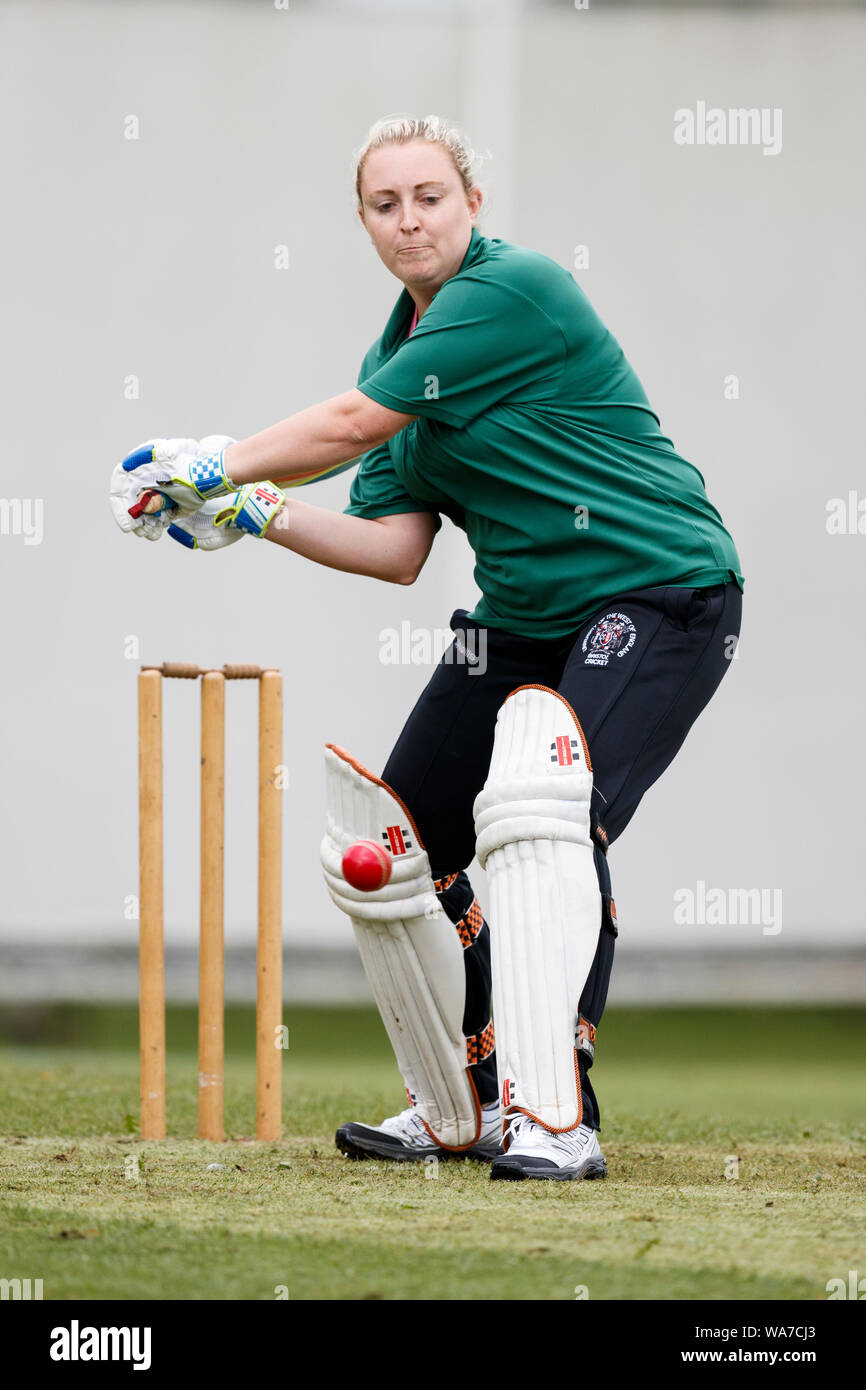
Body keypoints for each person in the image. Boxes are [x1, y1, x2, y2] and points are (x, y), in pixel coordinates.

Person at [111, 114, 744, 1181]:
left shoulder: (512, 290)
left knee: (543, 821)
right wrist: (259, 510)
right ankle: (459, 1096)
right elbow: (396, 548)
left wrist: (217, 458)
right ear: (362, 222)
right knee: (395, 846)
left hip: (659, 589)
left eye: (429, 197)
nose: (410, 221)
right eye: (384, 204)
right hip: (522, 618)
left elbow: (352, 423)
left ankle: (553, 1116)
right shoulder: (397, 359)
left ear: (471, 204)